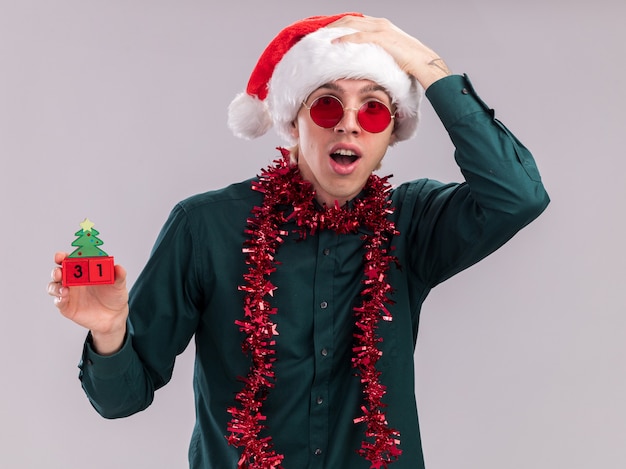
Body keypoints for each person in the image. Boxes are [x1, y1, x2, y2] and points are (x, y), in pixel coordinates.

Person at [48, 12, 549, 469]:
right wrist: (110, 331)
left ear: (390, 134)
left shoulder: (410, 224)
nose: (350, 122)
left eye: (374, 110)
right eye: (328, 104)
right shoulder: (205, 228)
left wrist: (428, 66)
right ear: (293, 122)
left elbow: (518, 195)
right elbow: (120, 400)